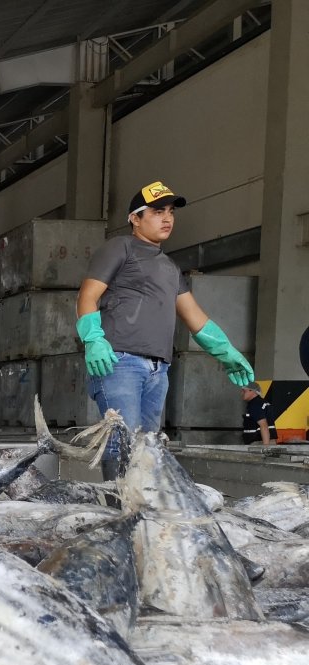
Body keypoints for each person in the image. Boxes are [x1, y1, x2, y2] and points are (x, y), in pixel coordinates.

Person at [77, 180, 254, 480]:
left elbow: (194, 315)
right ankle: (119, 506)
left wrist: (226, 351)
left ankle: (143, 507)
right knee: (123, 445)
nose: (167, 218)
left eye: (170, 212)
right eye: (158, 212)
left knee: (148, 452)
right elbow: (87, 296)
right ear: (135, 218)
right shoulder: (120, 248)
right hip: (120, 363)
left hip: (158, 370)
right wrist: (93, 338)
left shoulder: (170, 267)